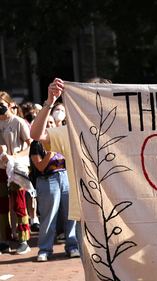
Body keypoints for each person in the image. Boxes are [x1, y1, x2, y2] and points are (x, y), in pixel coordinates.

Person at [30, 77, 112, 263]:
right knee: (95, 280)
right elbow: (36, 134)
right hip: (86, 217)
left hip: (121, 216)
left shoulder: (121, 129)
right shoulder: (70, 132)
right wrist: (49, 102)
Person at [30, 120, 78, 261]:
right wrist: (50, 153)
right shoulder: (36, 144)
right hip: (47, 180)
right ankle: (44, 250)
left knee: (71, 215)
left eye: (51, 122)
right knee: (49, 217)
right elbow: (39, 167)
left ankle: (73, 246)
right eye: (46, 123)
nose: (49, 125)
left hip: (66, 177)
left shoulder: (63, 138)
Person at [0, 92, 32, 254]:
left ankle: (24, 239)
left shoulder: (18, 122)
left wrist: (14, 156)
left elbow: (30, 145)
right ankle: (4, 240)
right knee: (2, 205)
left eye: (1, 104)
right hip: (0, 169)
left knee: (19, 203)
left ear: (9, 104)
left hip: (16, 167)